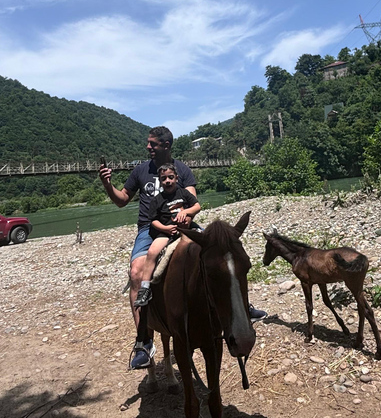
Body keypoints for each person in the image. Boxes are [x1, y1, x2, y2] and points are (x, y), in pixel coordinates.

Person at [99, 126, 267, 370]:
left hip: (184, 226)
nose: (148, 147)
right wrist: (107, 184)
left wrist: (186, 216)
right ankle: (143, 342)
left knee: (220, 254)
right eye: (149, 143)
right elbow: (121, 200)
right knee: (136, 271)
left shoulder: (183, 170)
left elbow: (192, 201)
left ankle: (242, 308)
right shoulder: (140, 171)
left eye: (152, 144)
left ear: (166, 145)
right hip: (151, 229)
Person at [133, 163, 201, 308]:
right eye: (164, 179)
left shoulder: (183, 193)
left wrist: (185, 212)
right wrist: (165, 228)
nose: (168, 181)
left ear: (176, 178)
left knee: (208, 241)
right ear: (160, 181)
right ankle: (144, 288)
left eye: (171, 177)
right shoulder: (157, 199)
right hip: (166, 232)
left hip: (186, 229)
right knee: (151, 252)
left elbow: (197, 206)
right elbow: (153, 221)